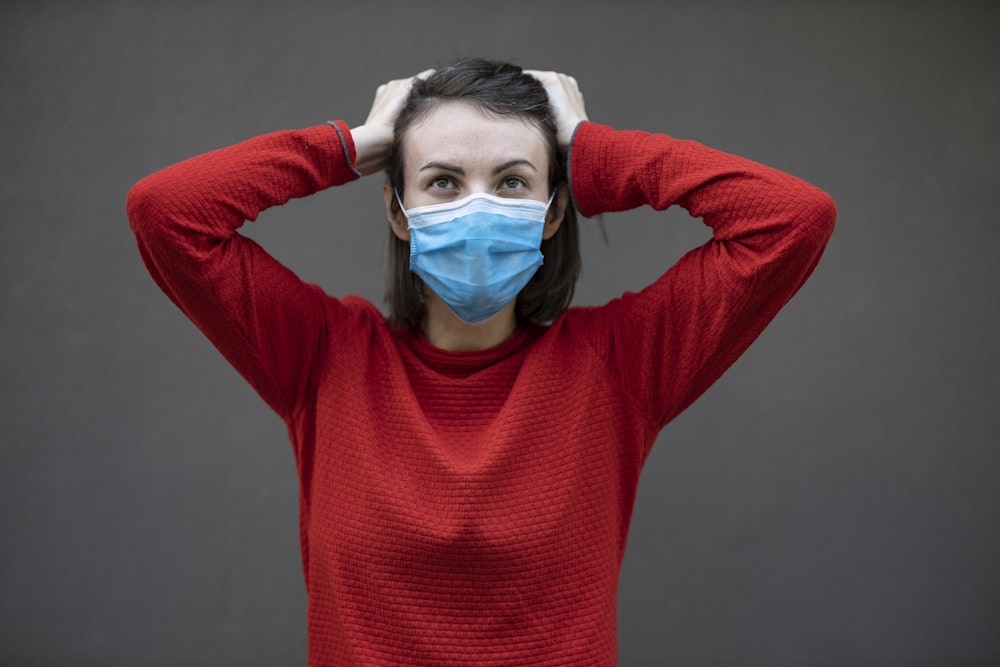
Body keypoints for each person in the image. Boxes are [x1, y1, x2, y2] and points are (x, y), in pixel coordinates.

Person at [127, 58, 836, 666]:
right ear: (399, 212)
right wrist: (351, 144)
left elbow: (790, 219)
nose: (477, 208)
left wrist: (592, 149)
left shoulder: (618, 365)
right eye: (441, 181)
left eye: (511, 182)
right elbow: (165, 212)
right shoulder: (322, 355)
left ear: (553, 212)